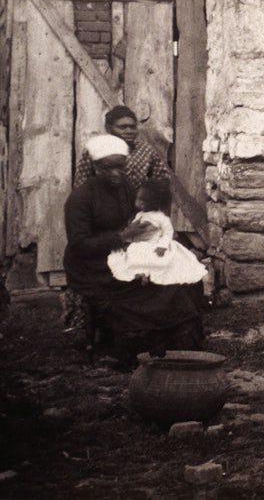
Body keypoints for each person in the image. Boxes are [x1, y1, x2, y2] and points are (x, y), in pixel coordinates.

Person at [64, 135, 204, 366]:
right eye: (110, 167)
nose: (117, 173)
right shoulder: (80, 199)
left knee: (180, 274)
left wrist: (152, 235)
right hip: (91, 266)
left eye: (121, 166)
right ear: (96, 167)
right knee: (151, 288)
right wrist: (121, 238)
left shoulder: (126, 188)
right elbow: (79, 245)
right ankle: (138, 347)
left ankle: (173, 345)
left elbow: (142, 216)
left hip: (126, 253)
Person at [108, 178, 208, 286]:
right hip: (140, 243)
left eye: (144, 201)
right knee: (133, 254)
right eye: (138, 199)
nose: (139, 203)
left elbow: (168, 232)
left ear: (155, 203)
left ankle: (148, 273)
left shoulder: (161, 217)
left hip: (154, 244)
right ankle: (138, 273)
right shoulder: (139, 215)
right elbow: (134, 230)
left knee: (157, 260)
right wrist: (127, 238)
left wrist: (162, 245)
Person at [74, 105, 169, 191]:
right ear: (108, 128)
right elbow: (81, 183)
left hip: (136, 206)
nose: (129, 131)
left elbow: (161, 180)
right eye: (122, 127)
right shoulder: (96, 149)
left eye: (132, 127)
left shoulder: (146, 150)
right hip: (103, 205)